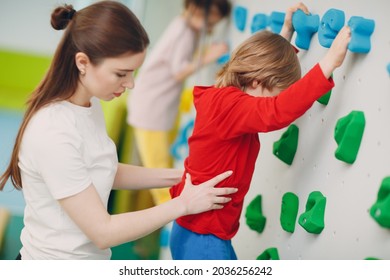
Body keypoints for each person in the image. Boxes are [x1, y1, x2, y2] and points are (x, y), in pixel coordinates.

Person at [0, 1, 237, 260]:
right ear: (83, 62)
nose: (132, 83)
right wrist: (183, 204)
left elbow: (102, 168)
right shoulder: (53, 130)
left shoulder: (89, 105)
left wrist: (183, 176)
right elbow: (103, 232)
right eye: (121, 73)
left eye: (133, 72)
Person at [169, 2, 352, 260]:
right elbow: (276, 111)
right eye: (276, 92)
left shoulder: (223, 99)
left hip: (196, 229)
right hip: (205, 236)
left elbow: (267, 77)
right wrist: (328, 64)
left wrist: (286, 34)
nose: (274, 100)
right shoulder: (230, 106)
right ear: (257, 81)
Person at [127, 0, 232, 206]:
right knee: (157, 171)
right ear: (200, 10)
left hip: (154, 107)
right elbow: (179, 71)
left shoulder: (184, 27)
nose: (210, 28)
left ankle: (172, 210)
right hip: (150, 110)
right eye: (211, 22)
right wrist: (210, 55)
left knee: (160, 167)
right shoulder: (183, 31)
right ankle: (171, 212)